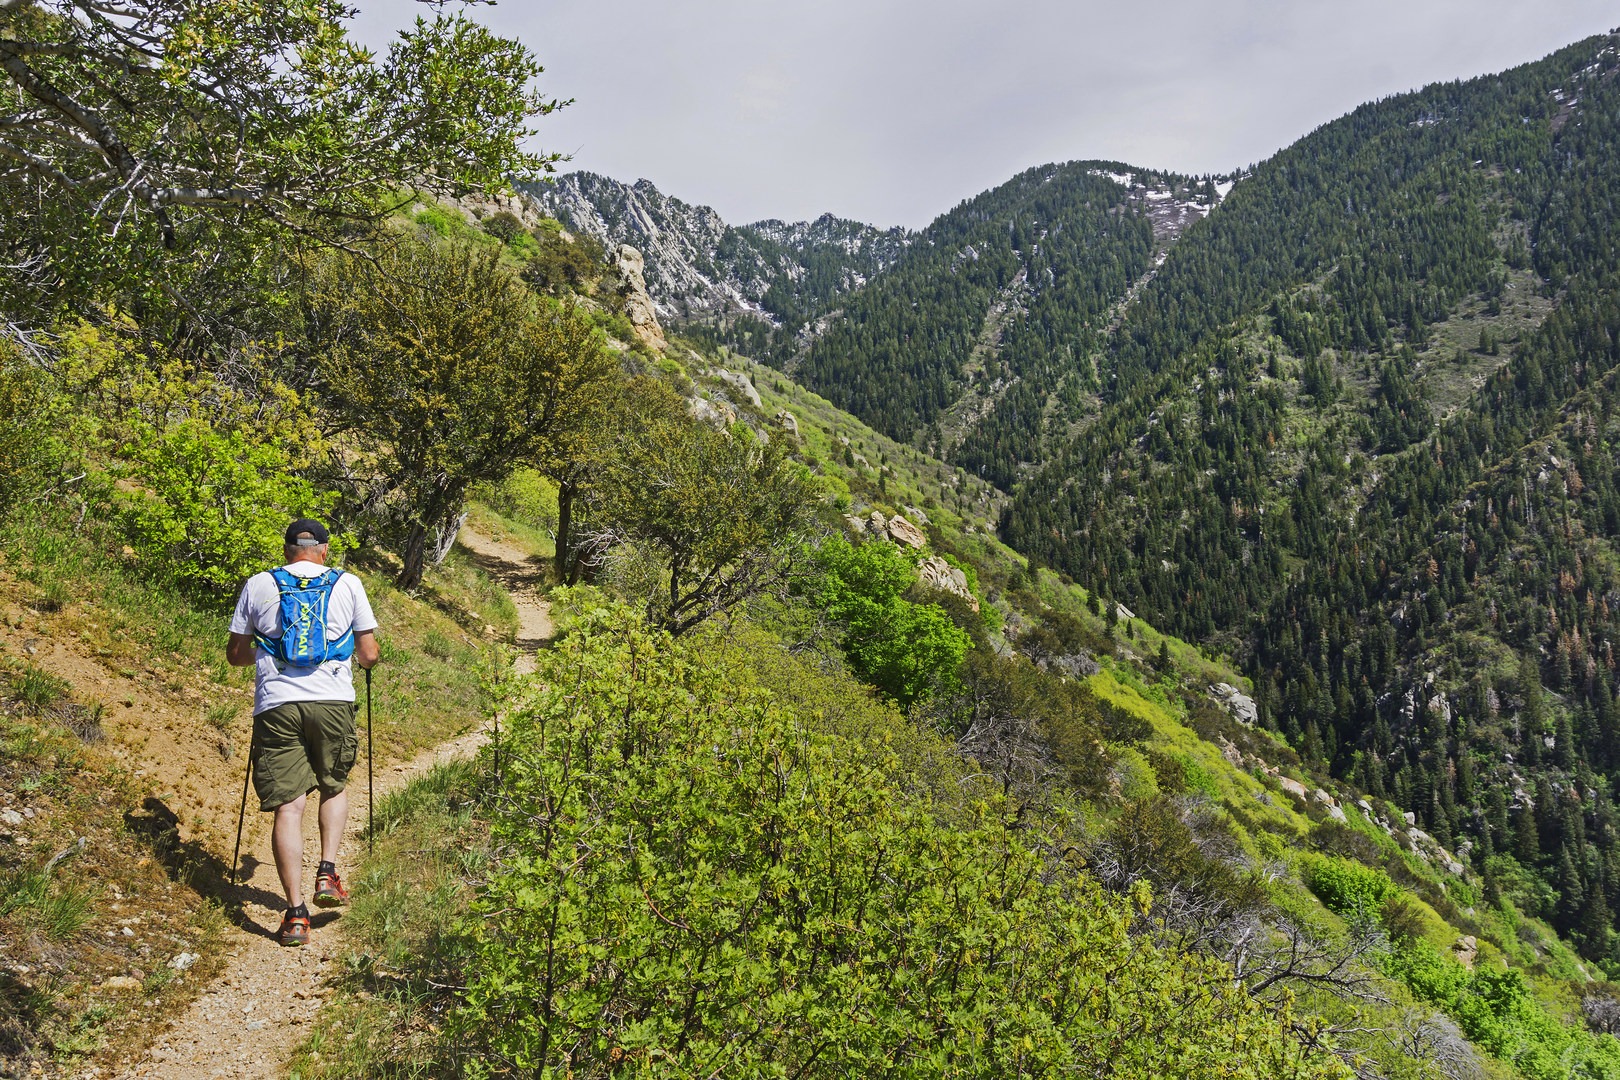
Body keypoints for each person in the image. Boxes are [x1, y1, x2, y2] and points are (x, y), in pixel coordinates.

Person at [226, 518, 379, 946]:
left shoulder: (259, 584)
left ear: (288, 549)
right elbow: (368, 654)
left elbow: (236, 656)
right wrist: (362, 659)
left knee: (288, 807)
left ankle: (295, 915)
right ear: (324, 550)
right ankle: (327, 875)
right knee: (333, 785)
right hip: (331, 699)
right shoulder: (348, 584)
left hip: (276, 703)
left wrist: (269, 649)